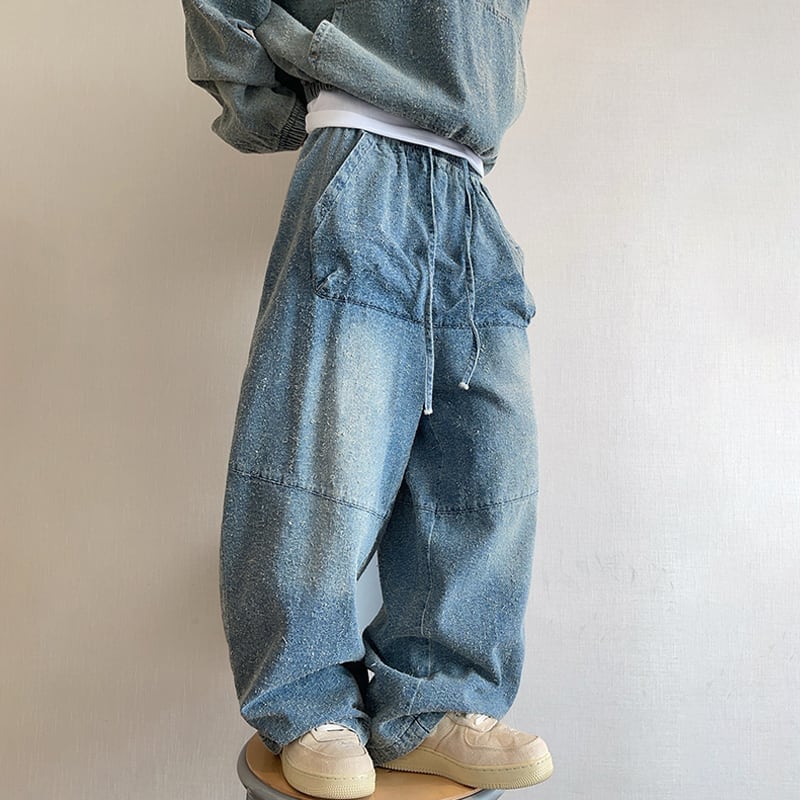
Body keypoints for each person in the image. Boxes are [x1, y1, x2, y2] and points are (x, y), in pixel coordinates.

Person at [181, 2, 553, 797]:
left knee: (486, 469)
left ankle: (434, 704)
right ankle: (306, 702)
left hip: (467, 185)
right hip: (361, 152)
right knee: (320, 462)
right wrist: (283, 98)